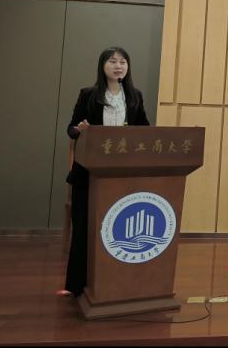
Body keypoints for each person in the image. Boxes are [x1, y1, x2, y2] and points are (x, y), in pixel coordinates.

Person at [59, 47, 150, 297]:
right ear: (102, 66)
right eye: (112, 62)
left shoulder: (135, 96)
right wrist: (79, 129)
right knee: (85, 228)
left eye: (123, 62)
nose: (118, 66)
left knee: (119, 230)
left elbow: (144, 129)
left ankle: (118, 281)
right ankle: (77, 285)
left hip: (122, 174)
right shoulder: (88, 94)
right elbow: (71, 129)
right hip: (88, 173)